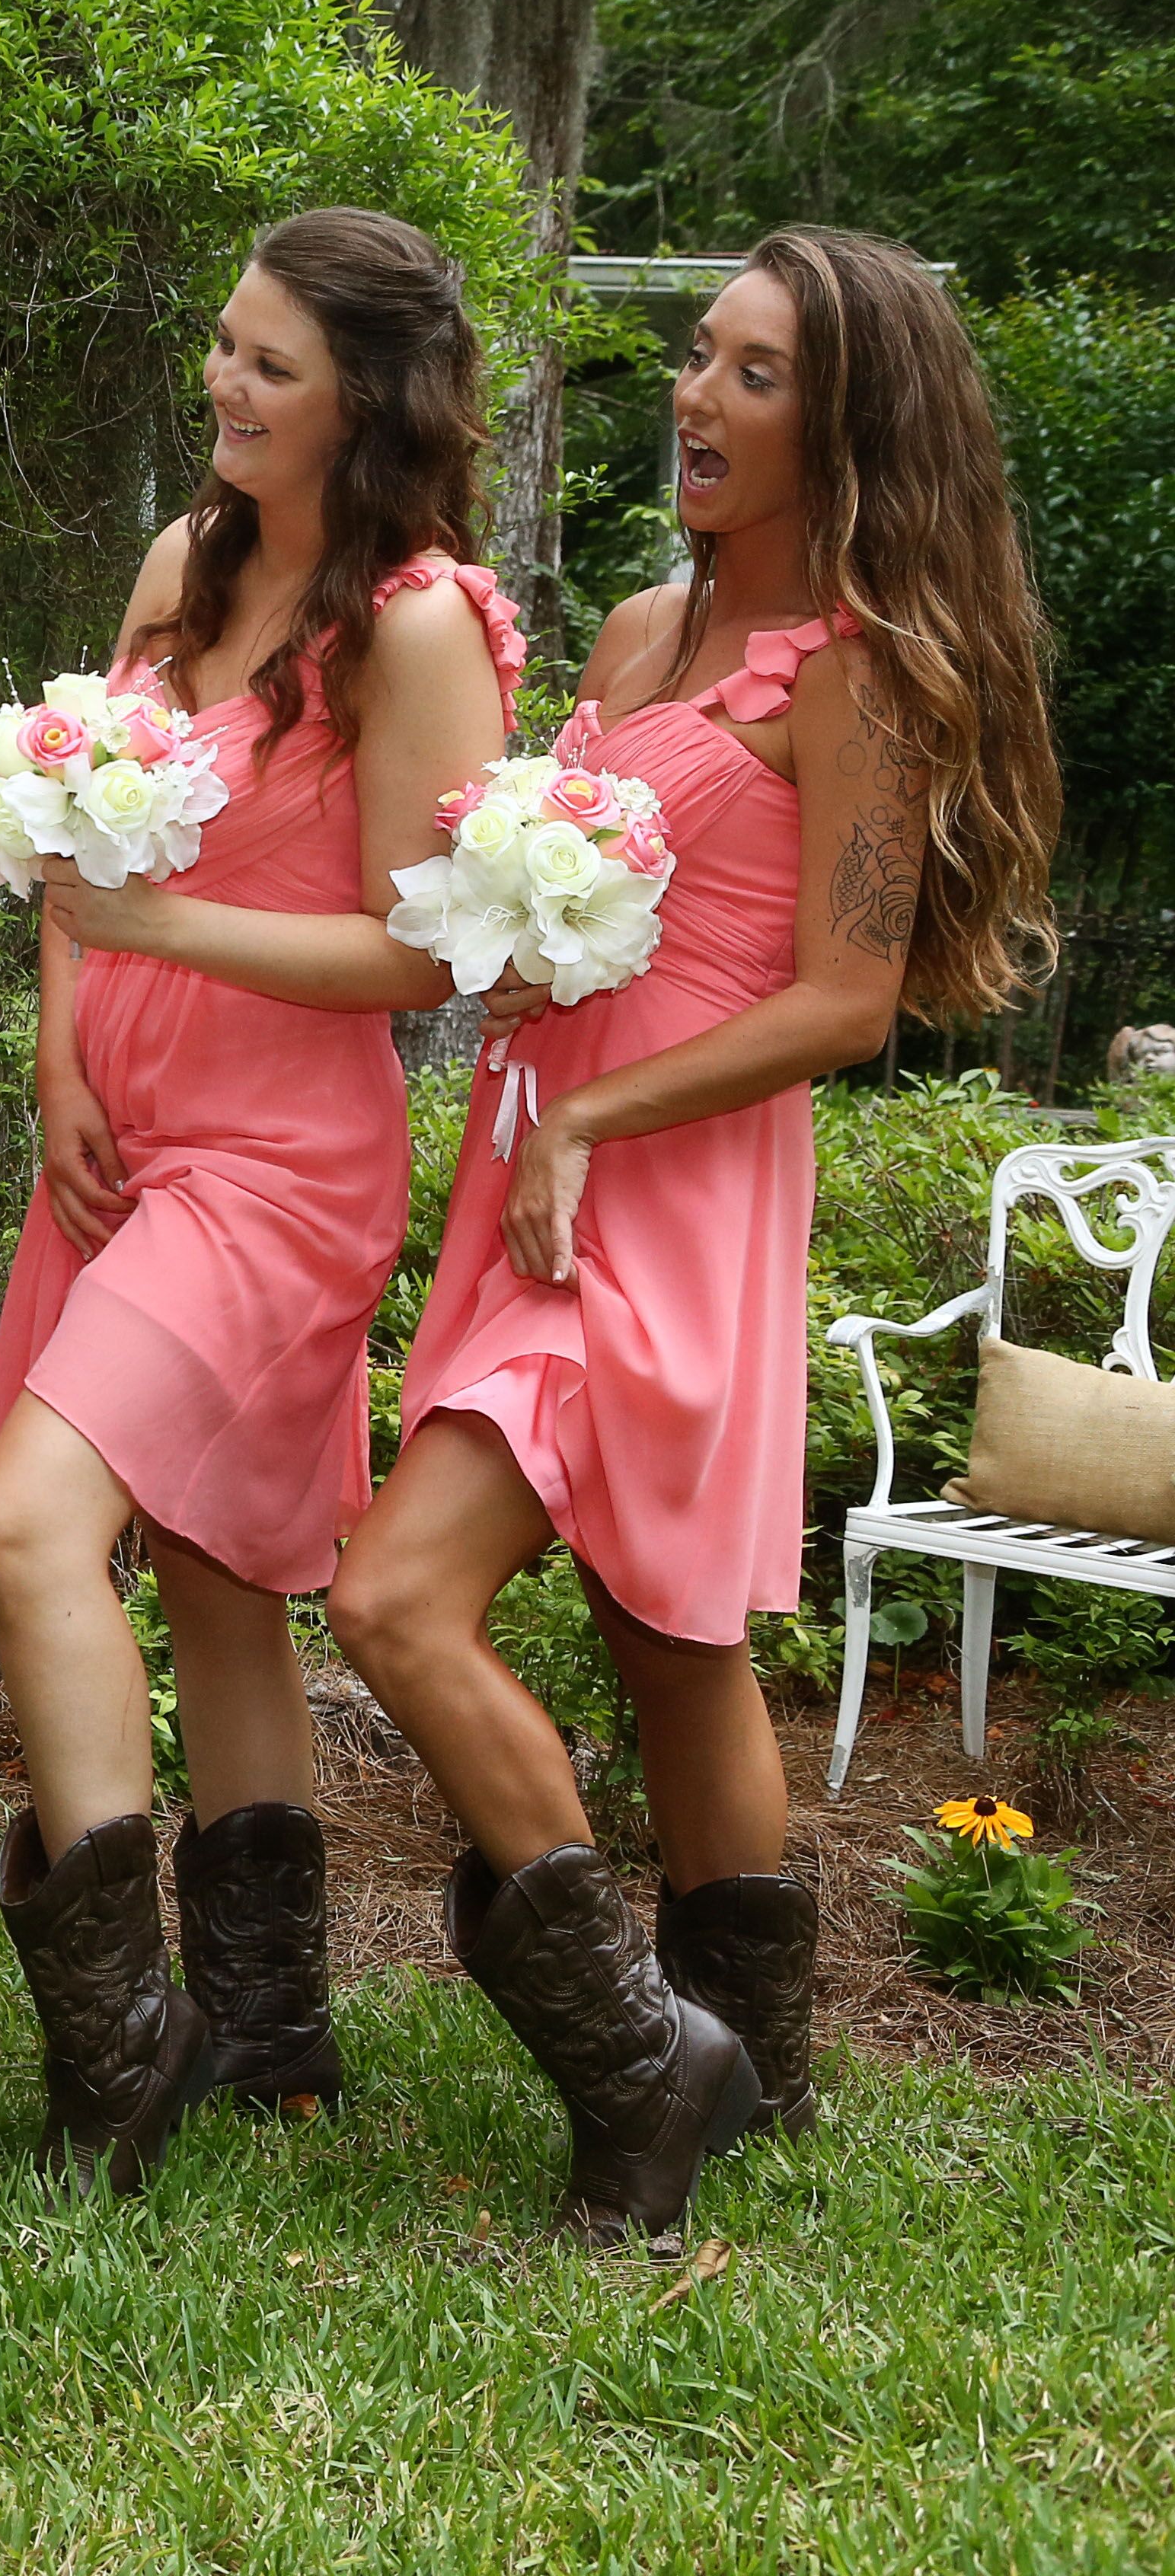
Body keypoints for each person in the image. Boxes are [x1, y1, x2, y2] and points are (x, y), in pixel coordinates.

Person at [327, 225, 1059, 2244]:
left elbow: (847, 998)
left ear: (850, 423)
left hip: (670, 1181)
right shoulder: (644, 636)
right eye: (699, 360)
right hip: (541, 1159)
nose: (697, 397)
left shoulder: (870, 677)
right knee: (670, 1642)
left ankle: (660, 2074)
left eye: (753, 374)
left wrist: (605, 1116)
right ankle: (749, 2075)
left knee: (408, 1602)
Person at [0, 210, 520, 2190]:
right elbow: (66, 831)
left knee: (25, 1520)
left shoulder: (420, 624)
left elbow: (421, 951)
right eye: (224, 347)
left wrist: (163, 922)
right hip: (119, 1133)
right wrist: (57, 1047)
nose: (227, 387)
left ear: (370, 396)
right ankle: (273, 2038)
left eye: (272, 364)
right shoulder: (181, 573)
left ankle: (115, 2055)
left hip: (282, 1162)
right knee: (207, 1572)